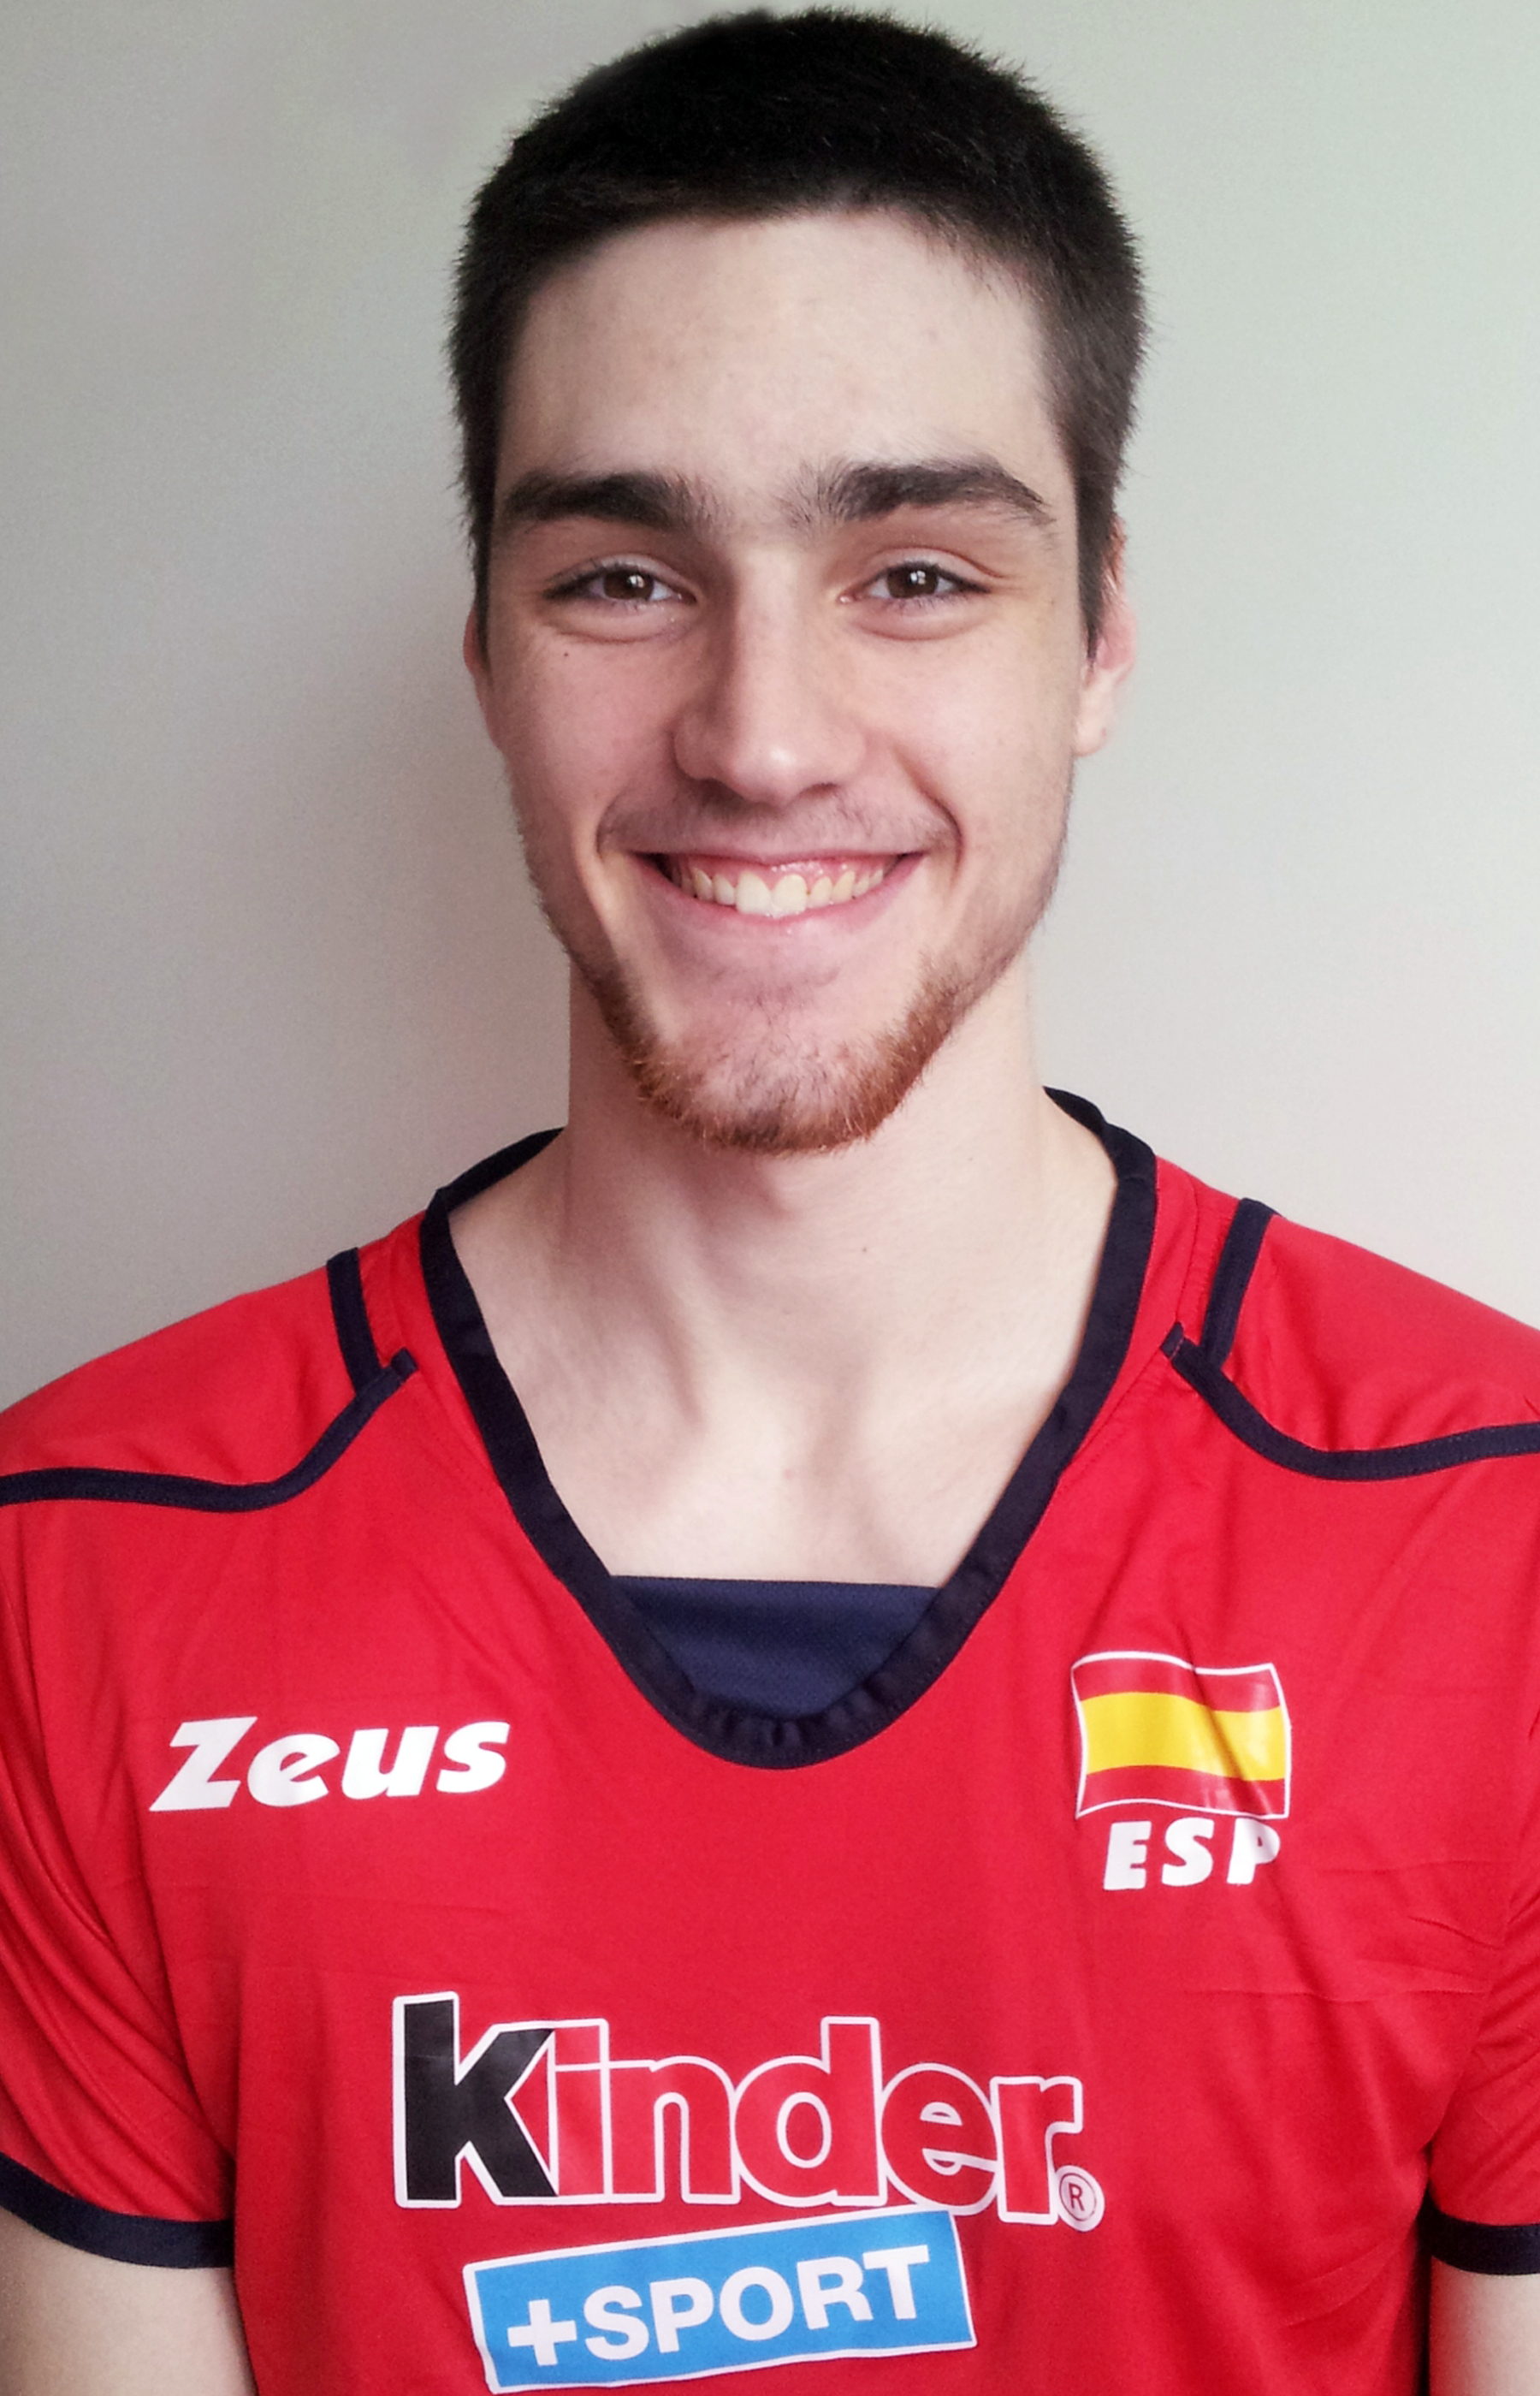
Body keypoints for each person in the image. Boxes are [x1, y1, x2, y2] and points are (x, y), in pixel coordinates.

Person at [1, 11, 1537, 2392]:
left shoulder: (1491, 1541)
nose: (764, 736)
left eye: (913, 570)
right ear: (485, 649)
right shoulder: (88, 1566)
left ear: (1101, 634)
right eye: (626, 577)